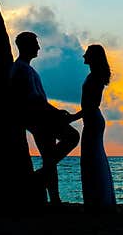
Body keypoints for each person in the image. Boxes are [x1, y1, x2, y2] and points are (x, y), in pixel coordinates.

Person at [10, 31, 79, 204]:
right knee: (72, 137)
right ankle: (36, 181)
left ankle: (54, 198)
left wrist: (55, 112)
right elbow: (33, 99)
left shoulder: (26, 68)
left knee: (50, 157)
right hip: (39, 119)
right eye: (35, 44)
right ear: (26, 46)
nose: (38, 47)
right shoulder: (21, 69)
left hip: (41, 118)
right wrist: (56, 113)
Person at [68, 44, 116, 210]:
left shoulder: (95, 76)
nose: (83, 56)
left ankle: (98, 201)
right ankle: (98, 199)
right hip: (92, 120)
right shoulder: (94, 75)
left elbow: (92, 105)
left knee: (92, 159)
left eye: (86, 53)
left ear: (93, 56)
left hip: (93, 121)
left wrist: (74, 117)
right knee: (93, 159)